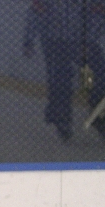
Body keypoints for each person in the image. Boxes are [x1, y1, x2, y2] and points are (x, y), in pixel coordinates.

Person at [24, 0, 105, 142]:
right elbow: (35, 12)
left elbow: (98, 15)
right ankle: (61, 119)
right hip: (55, 41)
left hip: (82, 41)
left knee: (101, 72)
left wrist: (88, 40)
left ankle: (98, 114)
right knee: (61, 78)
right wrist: (28, 40)